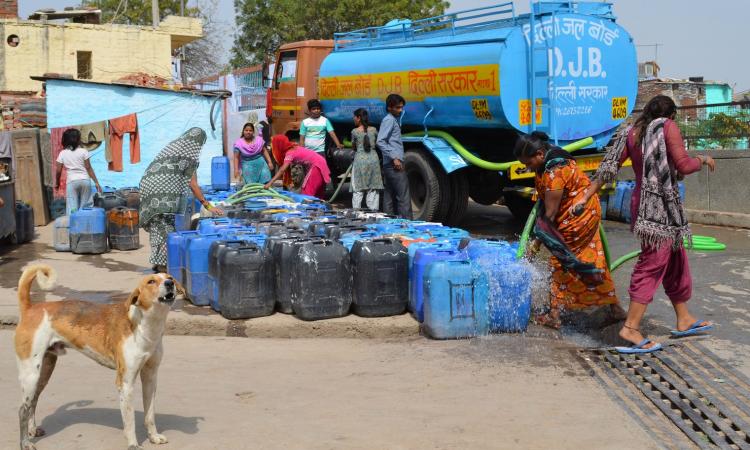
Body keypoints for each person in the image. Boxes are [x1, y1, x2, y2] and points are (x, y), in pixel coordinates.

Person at [576, 95, 715, 353]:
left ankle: (684, 318)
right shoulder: (667, 127)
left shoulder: (632, 131)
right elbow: (683, 164)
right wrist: (703, 160)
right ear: (670, 114)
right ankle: (630, 327)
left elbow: (608, 167)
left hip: (643, 205)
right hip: (659, 210)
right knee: (652, 264)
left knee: (675, 259)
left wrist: (587, 195)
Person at [517, 131, 625, 329]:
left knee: (561, 262)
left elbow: (549, 215)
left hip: (577, 217)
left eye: (528, 163)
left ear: (540, 154)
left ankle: (555, 315)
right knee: (591, 262)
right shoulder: (553, 159)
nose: (527, 167)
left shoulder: (554, 173)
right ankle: (615, 309)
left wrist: (534, 245)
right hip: (585, 211)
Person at [139, 127, 223, 273]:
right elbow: (193, 184)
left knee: (158, 228)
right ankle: (164, 266)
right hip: (162, 197)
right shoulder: (189, 155)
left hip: (149, 189)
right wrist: (208, 206)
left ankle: (159, 261)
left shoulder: (174, 149)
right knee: (166, 229)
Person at [377, 94, 412, 219]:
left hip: (389, 164)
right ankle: (408, 224)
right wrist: (394, 157)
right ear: (389, 107)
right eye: (397, 107)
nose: (400, 110)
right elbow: (380, 141)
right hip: (394, 164)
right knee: (403, 196)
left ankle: (390, 222)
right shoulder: (389, 120)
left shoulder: (391, 119)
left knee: (389, 195)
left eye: (401, 107)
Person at [265, 135, 331, 199]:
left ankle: (308, 209)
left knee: (307, 194)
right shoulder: (294, 147)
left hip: (316, 167)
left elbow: (282, 170)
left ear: (279, 145)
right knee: (317, 195)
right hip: (321, 163)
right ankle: (317, 208)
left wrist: (270, 182)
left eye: (273, 144)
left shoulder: (290, 153)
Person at [55, 128, 102, 216]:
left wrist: (57, 183)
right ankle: (86, 227)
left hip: (72, 182)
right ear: (77, 140)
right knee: (86, 207)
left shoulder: (62, 153)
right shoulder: (84, 151)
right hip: (85, 180)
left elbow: (58, 171)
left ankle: (74, 227)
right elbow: (89, 168)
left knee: (72, 208)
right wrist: (96, 182)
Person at [350, 108, 384, 210]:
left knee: (358, 189)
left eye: (354, 117)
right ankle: (374, 215)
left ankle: (356, 214)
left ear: (359, 118)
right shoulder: (373, 129)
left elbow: (354, 147)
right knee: (373, 189)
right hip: (373, 160)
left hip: (360, 161)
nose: (353, 119)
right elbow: (379, 142)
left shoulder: (354, 131)